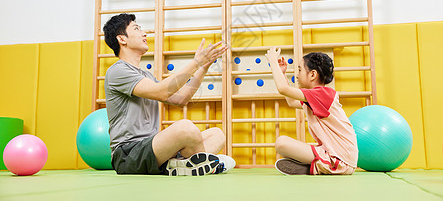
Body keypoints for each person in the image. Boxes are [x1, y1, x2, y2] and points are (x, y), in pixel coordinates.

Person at [103, 13, 235, 176]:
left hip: (153, 149)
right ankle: (201, 164)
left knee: (217, 134)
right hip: (128, 154)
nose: (144, 34)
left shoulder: (147, 76)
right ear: (122, 39)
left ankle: (182, 165)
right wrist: (196, 62)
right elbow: (162, 92)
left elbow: (181, 98)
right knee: (185, 128)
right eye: (137, 29)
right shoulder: (118, 71)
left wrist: (202, 67)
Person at [265, 47, 358, 175]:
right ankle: (317, 166)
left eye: (299, 70)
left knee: (281, 143)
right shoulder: (315, 97)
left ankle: (318, 166)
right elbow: (291, 102)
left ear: (313, 74)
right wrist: (282, 73)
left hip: (341, 159)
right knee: (282, 144)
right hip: (341, 157)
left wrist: (273, 62)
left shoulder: (322, 94)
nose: (297, 75)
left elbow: (283, 89)